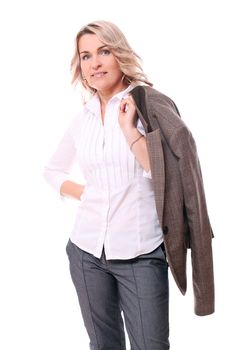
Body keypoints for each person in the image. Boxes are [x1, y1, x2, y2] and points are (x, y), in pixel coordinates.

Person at [44, 20, 214, 350]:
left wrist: (130, 131)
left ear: (119, 54)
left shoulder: (148, 106)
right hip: (86, 253)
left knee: (151, 346)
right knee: (102, 345)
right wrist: (84, 193)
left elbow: (167, 175)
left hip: (141, 254)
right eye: (85, 55)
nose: (94, 63)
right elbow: (52, 170)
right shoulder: (84, 119)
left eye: (103, 51)